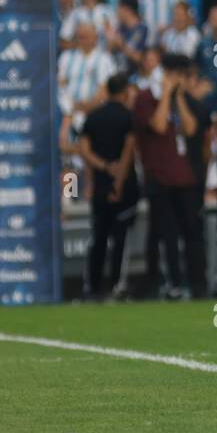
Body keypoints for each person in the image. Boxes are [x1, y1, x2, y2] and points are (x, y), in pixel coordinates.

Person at [134, 54, 210, 300]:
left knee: (192, 234)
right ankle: (172, 283)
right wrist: (166, 95)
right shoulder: (146, 99)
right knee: (166, 235)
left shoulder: (188, 102)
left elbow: (190, 128)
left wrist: (178, 97)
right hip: (160, 177)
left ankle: (198, 284)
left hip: (187, 179)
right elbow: (158, 126)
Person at [78, 74, 140, 301]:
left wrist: (103, 167)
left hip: (100, 186)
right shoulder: (128, 118)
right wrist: (119, 180)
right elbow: (129, 150)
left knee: (99, 238)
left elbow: (83, 150)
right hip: (124, 187)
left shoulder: (93, 117)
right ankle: (116, 285)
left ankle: (92, 287)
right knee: (121, 238)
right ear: (124, 93)